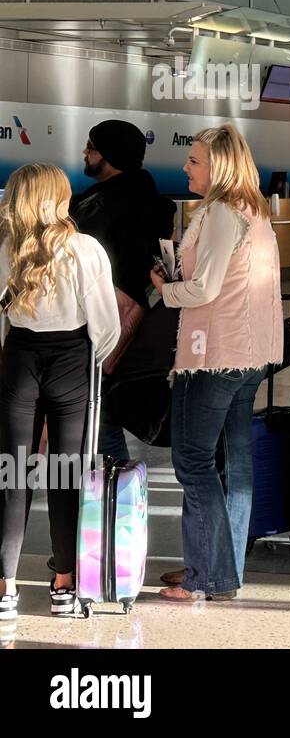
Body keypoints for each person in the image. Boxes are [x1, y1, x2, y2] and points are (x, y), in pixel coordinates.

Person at [151, 124, 282, 601]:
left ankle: (207, 574)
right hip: (248, 354)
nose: (186, 166)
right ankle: (218, 566)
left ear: (219, 166)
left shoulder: (222, 212)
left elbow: (205, 289)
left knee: (193, 460)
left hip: (216, 353)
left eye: (194, 160)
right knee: (233, 459)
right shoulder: (257, 210)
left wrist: (166, 288)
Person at [0, 164, 120, 622]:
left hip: (20, 358)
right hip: (73, 359)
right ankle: (64, 586)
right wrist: (90, 359)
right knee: (67, 472)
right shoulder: (83, 249)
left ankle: (4, 587)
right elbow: (105, 325)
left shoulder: (9, 248)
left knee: (11, 474)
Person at [68, 118, 176, 463]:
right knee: (106, 408)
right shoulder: (149, 201)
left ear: (110, 154)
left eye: (92, 147)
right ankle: (119, 494)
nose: (85, 152)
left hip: (100, 321)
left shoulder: (102, 206)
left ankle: (111, 493)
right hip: (137, 325)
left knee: (96, 412)